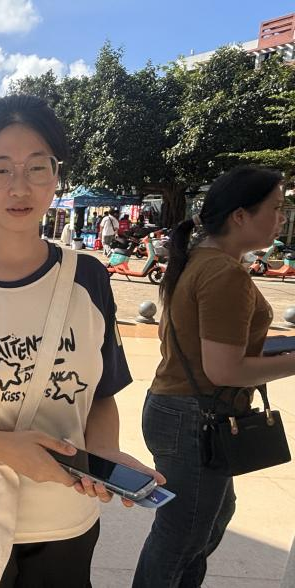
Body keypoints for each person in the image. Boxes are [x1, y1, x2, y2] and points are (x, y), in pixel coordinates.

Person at [0, 95, 163, 587]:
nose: (20, 187)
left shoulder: (89, 279)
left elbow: (102, 392)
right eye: (1, 170)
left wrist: (103, 454)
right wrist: (7, 449)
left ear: (56, 175)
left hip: (66, 523)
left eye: (38, 167)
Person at [133, 166, 295, 587]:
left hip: (179, 410)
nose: (282, 218)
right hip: (194, 417)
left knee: (208, 520)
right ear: (240, 215)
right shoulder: (224, 272)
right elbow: (225, 369)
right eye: (276, 208)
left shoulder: (199, 259)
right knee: (181, 538)